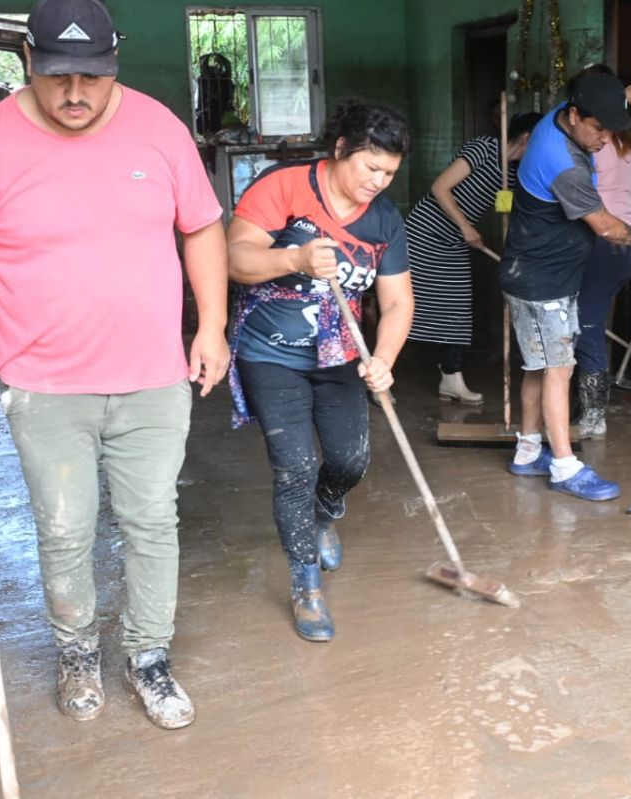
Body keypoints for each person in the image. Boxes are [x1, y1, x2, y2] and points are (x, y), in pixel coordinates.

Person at [0, 0, 229, 730]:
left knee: (153, 520)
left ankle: (149, 656)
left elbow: (203, 229)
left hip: (152, 376)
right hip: (43, 384)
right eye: (60, 77)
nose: (77, 94)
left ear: (114, 61)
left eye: (92, 76)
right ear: (28, 60)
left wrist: (210, 325)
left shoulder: (159, 129)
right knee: (64, 527)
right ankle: (77, 651)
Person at [226, 100, 413, 643]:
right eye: (369, 168)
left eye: (389, 173)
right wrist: (295, 260)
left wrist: (384, 359)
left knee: (350, 459)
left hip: (339, 357)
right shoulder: (284, 188)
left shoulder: (383, 220)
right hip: (270, 353)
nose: (377, 181)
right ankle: (307, 584)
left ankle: (324, 512)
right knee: (296, 464)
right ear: (340, 151)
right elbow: (235, 257)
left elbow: (398, 302)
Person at [500, 70, 631, 501]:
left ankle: (526, 451)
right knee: (560, 369)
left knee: (538, 366)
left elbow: (587, 101)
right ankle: (564, 465)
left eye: (609, 128)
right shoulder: (563, 165)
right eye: (598, 129)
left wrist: (623, 97)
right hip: (544, 280)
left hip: (532, 272)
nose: (602, 139)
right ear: (575, 116)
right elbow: (608, 228)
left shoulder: (557, 117)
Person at [404, 111, 542, 404]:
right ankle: (380, 378)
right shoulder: (484, 148)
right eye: (540, 141)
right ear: (527, 138)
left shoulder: (515, 174)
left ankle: (450, 379)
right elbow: (439, 187)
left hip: (454, 243)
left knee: (457, 311)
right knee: (407, 308)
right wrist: (466, 226)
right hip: (423, 235)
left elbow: (503, 208)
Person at [573, 65, 631, 439]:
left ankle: (593, 416)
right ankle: (583, 407)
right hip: (629, 248)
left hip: (604, 243)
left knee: (587, 327)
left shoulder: (593, 145)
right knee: (589, 322)